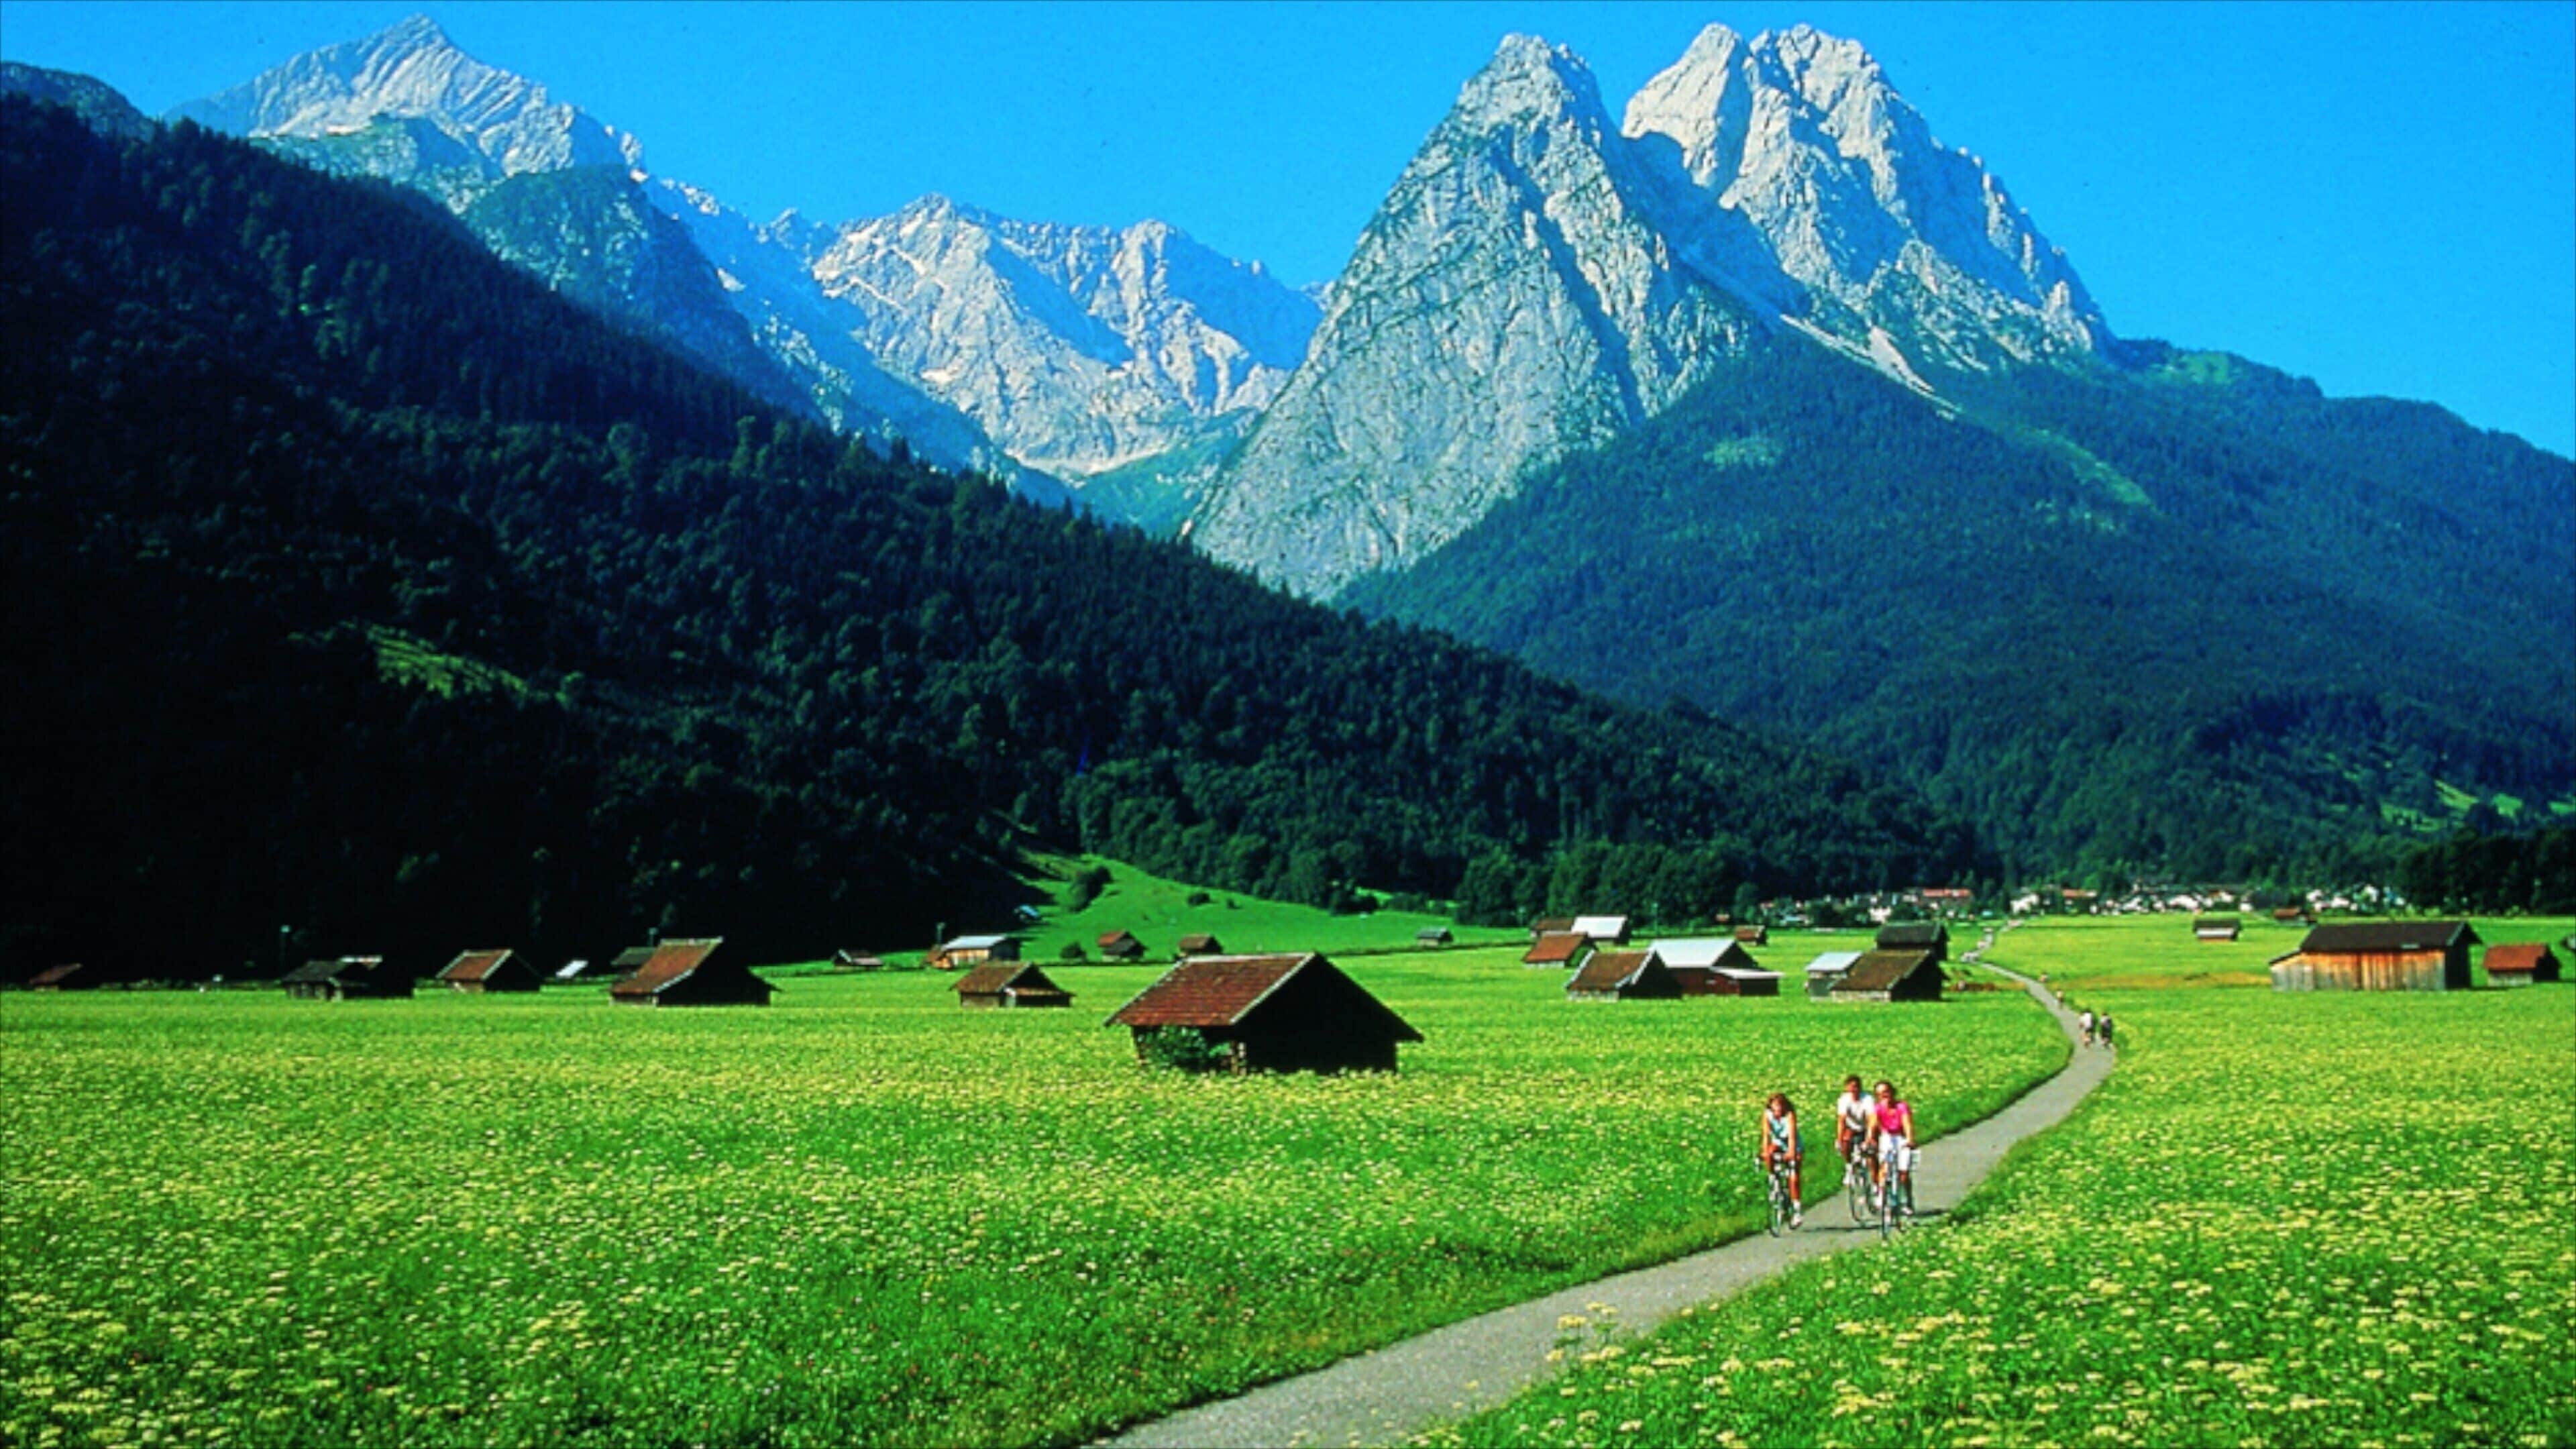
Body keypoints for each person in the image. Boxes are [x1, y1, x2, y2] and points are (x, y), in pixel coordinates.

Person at [1866, 1079, 1916, 1216]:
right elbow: (1872, 1125)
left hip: (1901, 1138)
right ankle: (1881, 1195)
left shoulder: (1901, 1107)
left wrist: (1910, 1139)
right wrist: (1870, 1139)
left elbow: (1907, 1124)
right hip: (1887, 1137)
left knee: (1903, 1173)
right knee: (1885, 1166)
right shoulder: (1878, 1109)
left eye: (1886, 1092)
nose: (1884, 1096)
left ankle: (1907, 1200)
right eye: (1880, 1094)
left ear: (1892, 1092)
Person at [1758, 1091, 1804, 1229]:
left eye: (1780, 1106)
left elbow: (1792, 1136)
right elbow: (1766, 1135)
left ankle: (1797, 1209)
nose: (1778, 1109)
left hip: (1792, 1144)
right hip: (1778, 1142)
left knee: (1793, 1177)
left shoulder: (1789, 1116)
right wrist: (1765, 1151)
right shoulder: (1767, 1115)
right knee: (1770, 1153)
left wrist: (1791, 1152)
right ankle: (1773, 1177)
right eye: (1775, 1105)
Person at [1833, 1074, 1872, 1177]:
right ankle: (1849, 1165)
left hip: (1865, 1127)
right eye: (1851, 1087)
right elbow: (1841, 1120)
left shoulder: (1867, 1099)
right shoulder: (1844, 1100)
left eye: (1856, 1086)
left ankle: (1875, 1180)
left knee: (1871, 1151)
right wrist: (1839, 1139)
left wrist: (1869, 1138)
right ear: (1847, 1088)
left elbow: (1871, 1119)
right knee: (1845, 1141)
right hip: (1851, 1127)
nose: (1854, 1089)